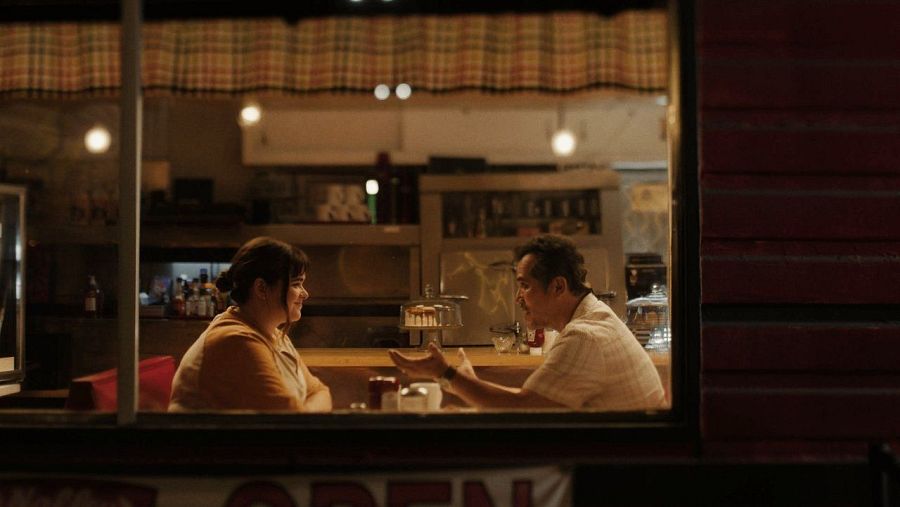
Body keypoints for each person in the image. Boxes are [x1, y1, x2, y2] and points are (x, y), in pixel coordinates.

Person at [389, 234, 665, 411]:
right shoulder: (594, 318)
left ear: (558, 286)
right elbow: (537, 399)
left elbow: (523, 407)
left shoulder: (584, 337)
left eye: (525, 286)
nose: (518, 298)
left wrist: (447, 374)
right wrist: (466, 383)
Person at [169, 236, 332, 412]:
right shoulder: (236, 340)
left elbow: (320, 392)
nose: (305, 294)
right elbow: (289, 418)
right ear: (261, 288)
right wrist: (307, 411)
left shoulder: (274, 334)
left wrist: (305, 410)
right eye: (296, 284)